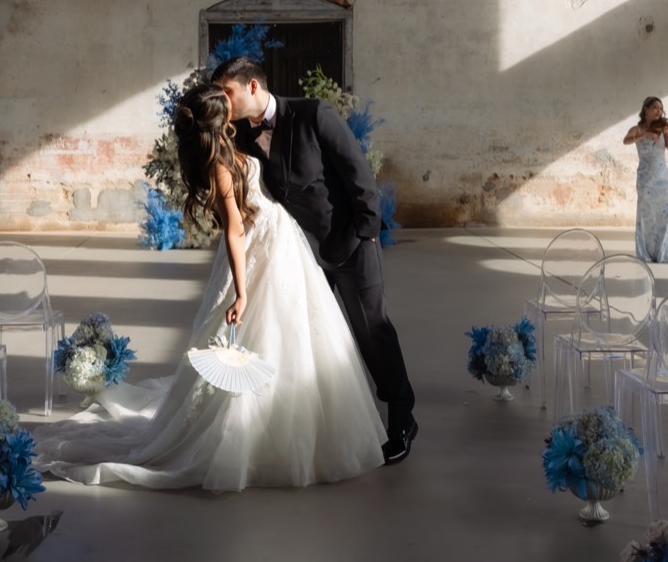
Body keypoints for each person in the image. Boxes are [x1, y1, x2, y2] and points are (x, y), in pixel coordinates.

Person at [33, 82, 386, 491]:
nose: (233, 108)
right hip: (258, 252)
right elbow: (235, 232)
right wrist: (242, 290)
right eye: (226, 106)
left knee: (297, 334)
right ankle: (254, 437)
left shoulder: (230, 149)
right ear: (219, 120)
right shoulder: (218, 164)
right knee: (265, 335)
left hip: (283, 246)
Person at [211, 57, 418, 464]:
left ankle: (402, 418)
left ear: (252, 86)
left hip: (349, 247)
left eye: (228, 93)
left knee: (371, 332)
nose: (225, 102)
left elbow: (360, 177)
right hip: (297, 257)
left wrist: (364, 236)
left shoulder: (312, 114)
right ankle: (320, 427)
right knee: (309, 340)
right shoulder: (239, 138)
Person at [623, 96, 668, 264]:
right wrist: (644, 135)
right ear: (645, 109)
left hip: (662, 178)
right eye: (655, 107)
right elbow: (626, 141)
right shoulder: (637, 129)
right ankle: (647, 253)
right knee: (646, 216)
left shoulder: (664, 129)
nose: (659, 111)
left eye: (661, 109)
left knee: (666, 214)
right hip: (645, 178)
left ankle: (666, 253)